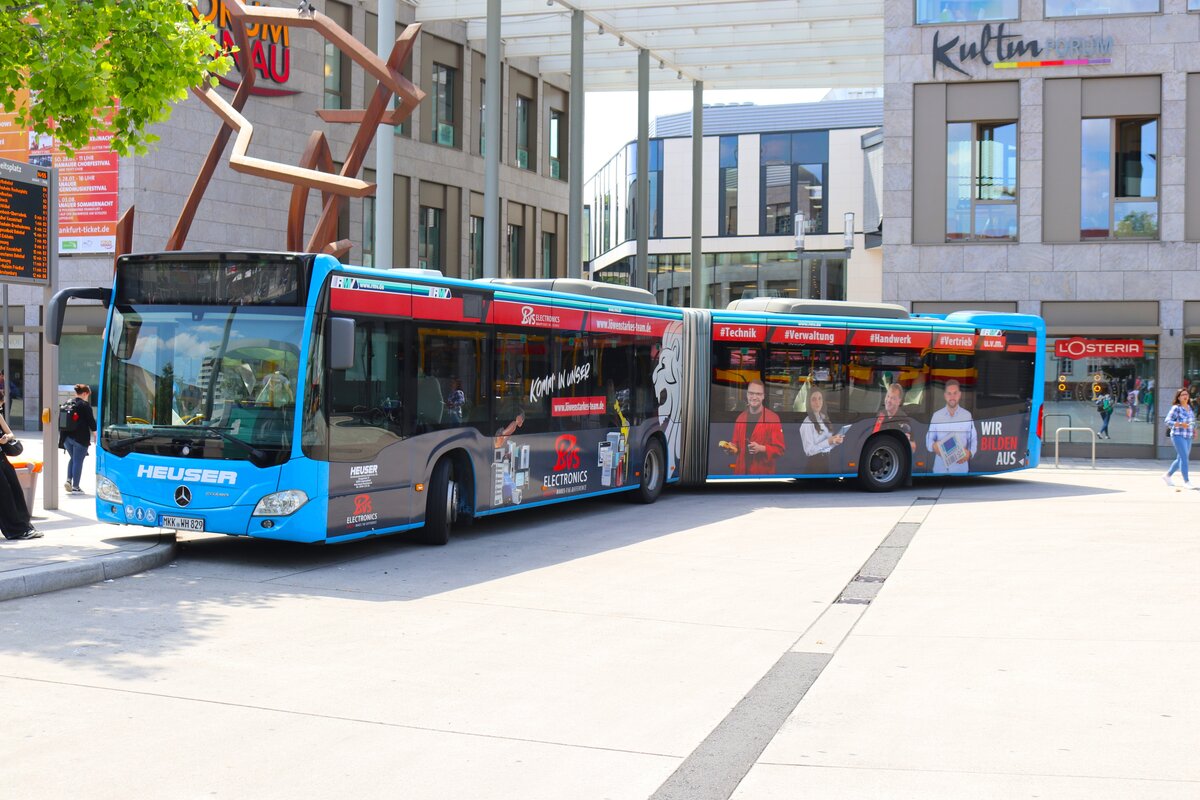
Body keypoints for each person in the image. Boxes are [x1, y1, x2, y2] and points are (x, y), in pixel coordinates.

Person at [720, 380, 785, 474]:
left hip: (762, 476)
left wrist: (761, 448)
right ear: (747, 395)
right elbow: (736, 446)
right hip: (741, 474)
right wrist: (731, 449)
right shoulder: (740, 418)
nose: (754, 397)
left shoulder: (773, 418)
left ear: (763, 396)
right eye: (751, 393)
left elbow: (780, 450)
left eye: (758, 394)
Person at [0, 410, 39, 539]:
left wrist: (5, 439)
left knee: (14, 491)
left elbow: (10, 433)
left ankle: (23, 526)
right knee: (5, 495)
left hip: (2, 459)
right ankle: (16, 530)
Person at [926, 379, 977, 474]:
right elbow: (929, 439)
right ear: (945, 395)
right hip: (939, 470)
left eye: (955, 393)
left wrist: (969, 453)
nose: (952, 397)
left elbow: (973, 439)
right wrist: (934, 446)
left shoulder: (967, 415)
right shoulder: (937, 416)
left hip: (961, 470)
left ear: (959, 395)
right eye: (949, 393)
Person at [59, 383, 96, 494]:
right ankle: (76, 487)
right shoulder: (85, 405)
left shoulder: (68, 403)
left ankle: (69, 480)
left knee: (74, 459)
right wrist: (95, 433)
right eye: (88, 395)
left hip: (66, 438)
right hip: (80, 439)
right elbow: (91, 421)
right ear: (85, 393)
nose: (87, 397)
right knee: (78, 461)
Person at [798, 388, 844, 473]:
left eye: (820, 398)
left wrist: (835, 441)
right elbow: (809, 450)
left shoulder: (823, 418)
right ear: (809, 403)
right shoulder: (807, 423)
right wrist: (829, 441)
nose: (817, 402)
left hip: (826, 461)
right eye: (814, 399)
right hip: (814, 464)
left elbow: (827, 446)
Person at [1162, 387, 1196, 488]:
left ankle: (1167, 476)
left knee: (1181, 458)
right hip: (1178, 435)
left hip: (1188, 436)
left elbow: (1192, 422)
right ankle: (1186, 481)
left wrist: (1194, 429)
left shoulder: (1190, 408)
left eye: (1186, 394)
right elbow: (1167, 421)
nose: (1185, 396)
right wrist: (1181, 424)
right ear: (1179, 397)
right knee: (1184, 458)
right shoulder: (1176, 408)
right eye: (1183, 395)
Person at [873, 383, 917, 452]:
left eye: (893, 398)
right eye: (888, 396)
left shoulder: (903, 419)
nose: (888, 400)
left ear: (899, 401)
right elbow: (873, 436)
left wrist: (906, 442)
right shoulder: (880, 415)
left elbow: (913, 448)